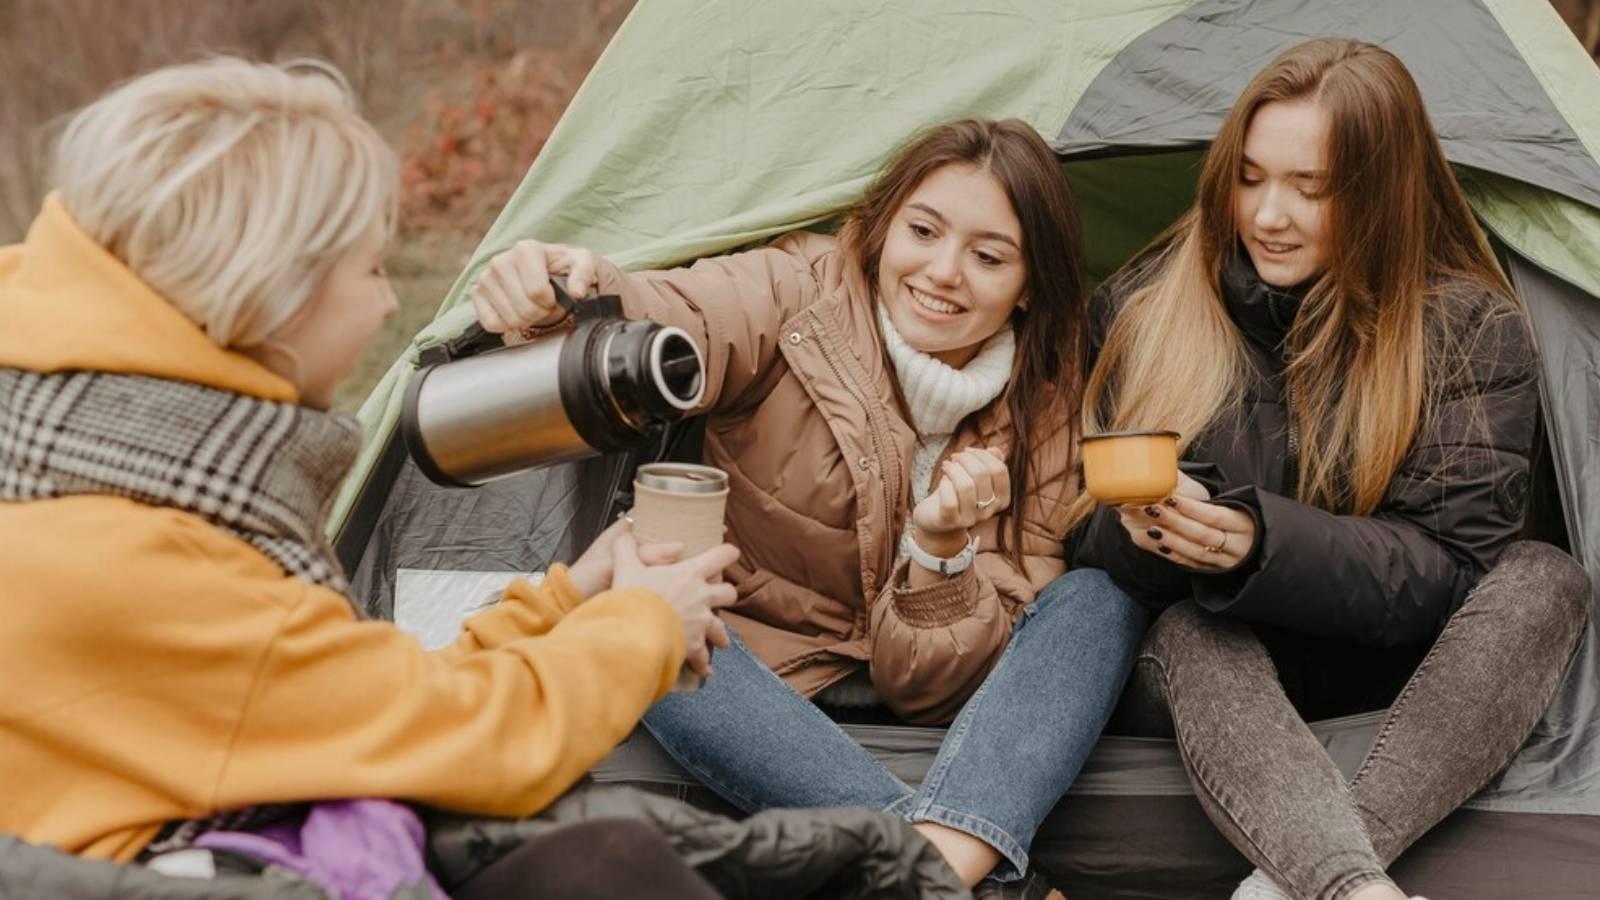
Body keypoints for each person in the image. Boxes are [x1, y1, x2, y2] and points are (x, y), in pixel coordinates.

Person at [0, 57, 736, 900]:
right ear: (272, 294)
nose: (390, 307)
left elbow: (355, 699)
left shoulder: (85, 450)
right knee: (616, 872)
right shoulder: (154, 556)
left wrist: (570, 600)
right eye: (372, 268)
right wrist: (644, 624)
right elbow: (467, 747)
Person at [470, 117, 1148, 895]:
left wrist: (940, 553)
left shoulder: (1051, 393)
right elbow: (667, 315)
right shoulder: (796, 293)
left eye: (988, 256)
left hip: (941, 693)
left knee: (1101, 600)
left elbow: (936, 688)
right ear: (883, 224)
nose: (943, 271)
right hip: (755, 669)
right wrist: (569, 294)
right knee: (643, 622)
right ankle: (960, 878)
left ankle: (915, 878)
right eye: (922, 231)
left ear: (1029, 286)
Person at [1072, 38, 1589, 900]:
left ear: (1382, 195)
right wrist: (1150, 535)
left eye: (1311, 189)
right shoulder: (1143, 309)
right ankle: (1351, 888)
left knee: (1548, 581)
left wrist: (1254, 544)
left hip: (1400, 685)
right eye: (1249, 177)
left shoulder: (1469, 333)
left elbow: (1449, 572)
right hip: (1213, 686)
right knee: (1189, 634)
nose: (1268, 214)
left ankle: (1300, 883)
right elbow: (1078, 566)